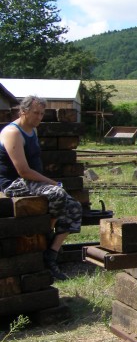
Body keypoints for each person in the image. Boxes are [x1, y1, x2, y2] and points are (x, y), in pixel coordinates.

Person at [0, 95, 82, 280]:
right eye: (35, 113)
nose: (39, 117)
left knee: (75, 207)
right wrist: (52, 183)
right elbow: (23, 171)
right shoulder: (13, 133)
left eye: (42, 113)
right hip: (13, 184)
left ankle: (50, 255)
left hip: (31, 182)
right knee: (57, 192)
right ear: (23, 111)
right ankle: (46, 229)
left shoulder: (32, 131)